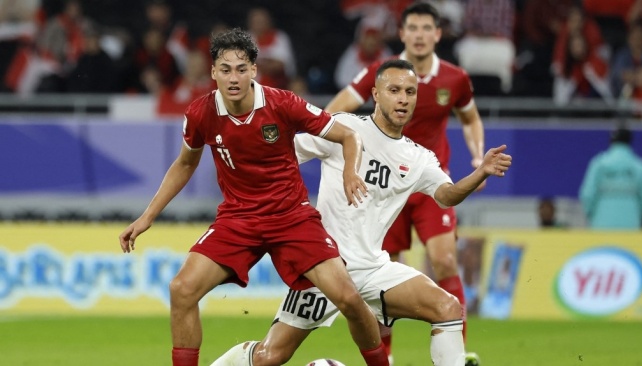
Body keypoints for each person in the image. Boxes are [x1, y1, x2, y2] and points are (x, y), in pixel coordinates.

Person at [118, 28, 389, 366]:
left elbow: (349, 135)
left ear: (254, 71)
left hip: (292, 218)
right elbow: (185, 163)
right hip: (238, 219)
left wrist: (351, 171)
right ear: (213, 71)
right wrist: (147, 216)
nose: (234, 77)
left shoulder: (282, 103)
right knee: (181, 289)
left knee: (348, 298)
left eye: (241, 68)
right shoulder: (201, 113)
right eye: (226, 69)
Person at [212, 60, 511, 366]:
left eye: (410, 91)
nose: (403, 98)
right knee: (268, 357)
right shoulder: (344, 129)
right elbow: (284, 155)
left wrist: (480, 173)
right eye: (394, 90)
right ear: (376, 94)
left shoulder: (418, 157)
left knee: (447, 308)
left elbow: (447, 196)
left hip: (373, 269)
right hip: (323, 267)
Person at [324, 3, 485, 363]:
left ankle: (458, 349)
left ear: (437, 34)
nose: (419, 34)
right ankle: (388, 356)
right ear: (402, 33)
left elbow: (471, 119)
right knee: (385, 269)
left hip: (428, 182)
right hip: (383, 188)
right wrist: (336, 146)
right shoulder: (381, 74)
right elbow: (335, 111)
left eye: (427, 28)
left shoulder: (455, 78)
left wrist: (477, 157)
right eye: (412, 28)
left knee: (444, 262)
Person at [579, 126, 642, 229]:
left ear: (611, 141)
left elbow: (587, 195)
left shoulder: (599, 164)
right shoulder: (641, 167)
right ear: (629, 141)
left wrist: (591, 215)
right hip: (631, 224)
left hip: (601, 224)